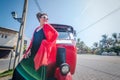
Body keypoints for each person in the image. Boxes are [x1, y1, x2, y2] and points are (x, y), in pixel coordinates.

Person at [12, 12, 58, 80]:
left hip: (40, 54)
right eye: (44, 17)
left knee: (38, 74)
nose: (46, 19)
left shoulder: (47, 26)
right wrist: (28, 50)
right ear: (40, 18)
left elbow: (56, 34)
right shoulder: (36, 29)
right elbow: (32, 41)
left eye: (47, 18)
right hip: (32, 53)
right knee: (19, 68)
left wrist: (46, 42)